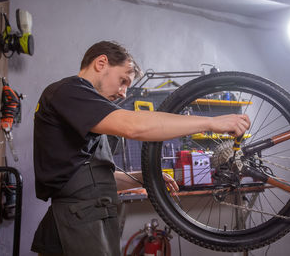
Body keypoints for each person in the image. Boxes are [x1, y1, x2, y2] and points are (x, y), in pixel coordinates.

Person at [31, 41, 250, 256]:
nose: (124, 93)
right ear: (101, 63)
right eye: (123, 80)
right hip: (73, 227)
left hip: (89, 221)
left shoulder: (85, 111)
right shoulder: (69, 92)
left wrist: (144, 177)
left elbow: (92, 182)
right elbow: (134, 127)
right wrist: (210, 123)